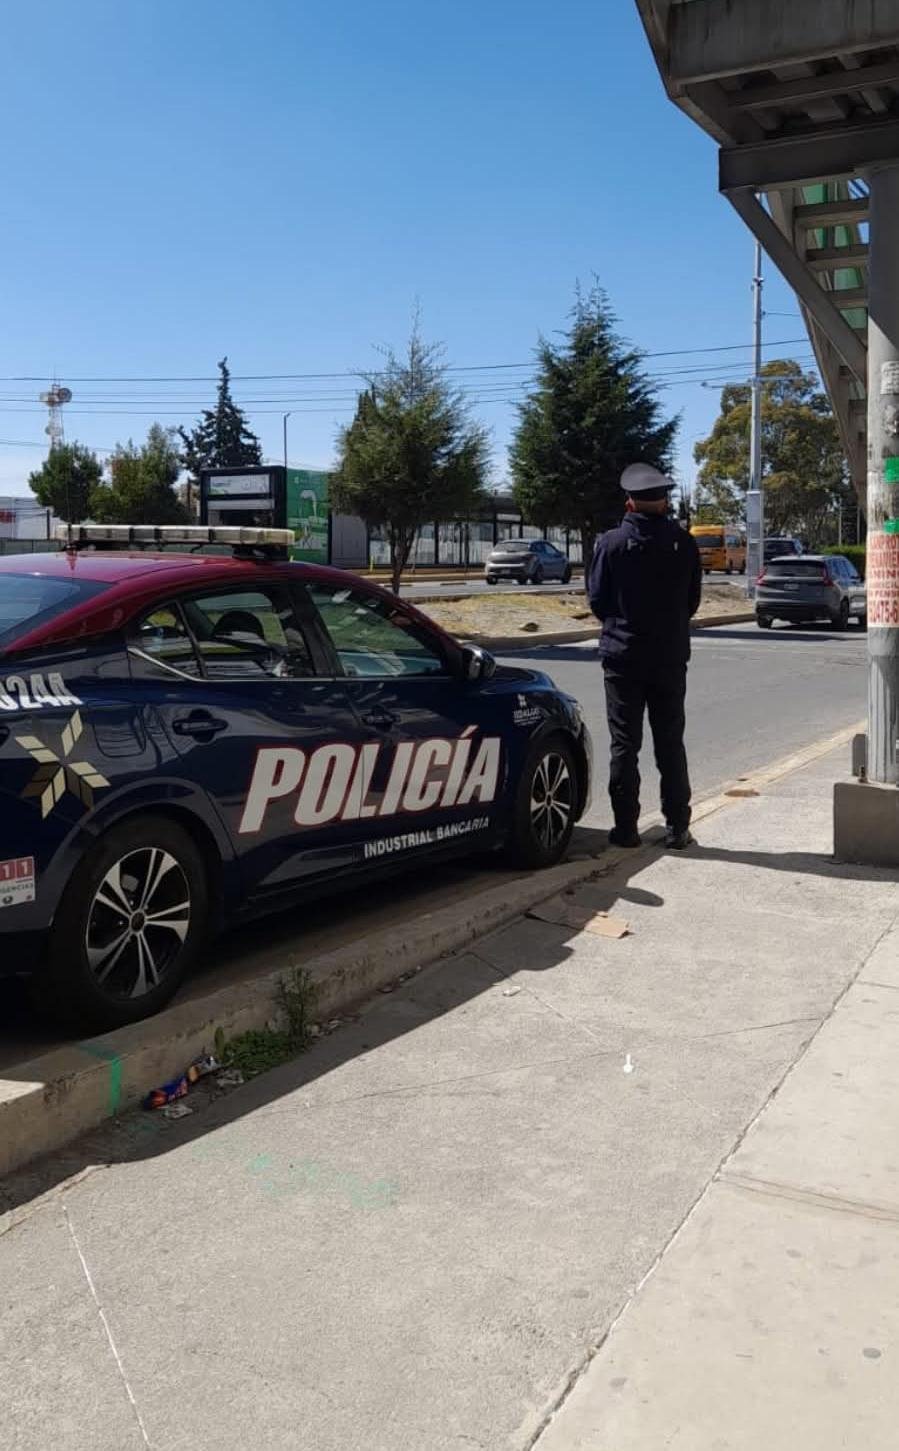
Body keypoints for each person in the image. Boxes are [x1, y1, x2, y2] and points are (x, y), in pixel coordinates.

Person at [587, 463, 702, 850]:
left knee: (624, 743)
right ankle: (677, 827)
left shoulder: (611, 544)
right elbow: (692, 603)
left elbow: (598, 601)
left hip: (623, 657)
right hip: (670, 657)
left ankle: (626, 829)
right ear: (664, 501)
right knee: (671, 742)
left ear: (630, 502)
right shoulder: (684, 543)